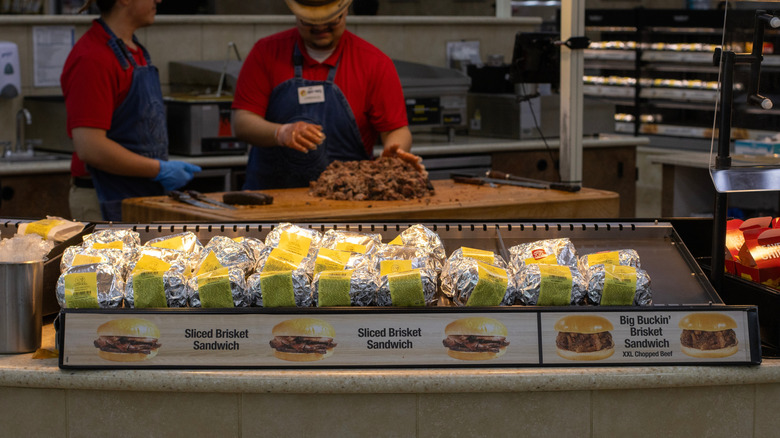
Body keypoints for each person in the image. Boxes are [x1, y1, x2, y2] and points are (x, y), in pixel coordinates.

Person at [232, 0, 422, 190]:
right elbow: (243, 122)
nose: (321, 27)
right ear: (296, 15)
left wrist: (393, 156)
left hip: (348, 198)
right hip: (270, 197)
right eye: (310, 22)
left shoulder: (375, 63)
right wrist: (280, 133)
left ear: (345, 11)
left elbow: (396, 130)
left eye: (331, 21)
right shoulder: (266, 52)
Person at [61, 0, 201, 221]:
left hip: (138, 195)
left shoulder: (134, 52)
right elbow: (90, 147)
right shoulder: (92, 58)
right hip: (104, 199)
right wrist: (159, 169)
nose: (158, 0)